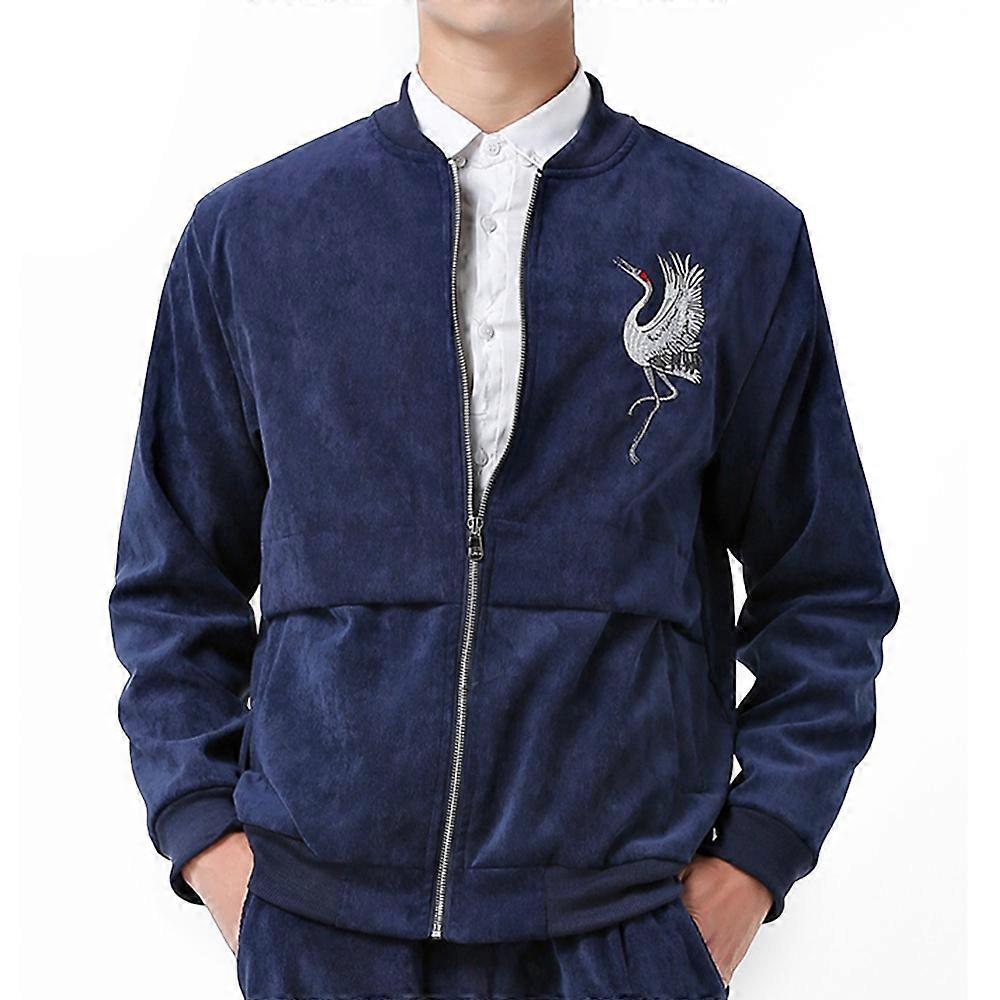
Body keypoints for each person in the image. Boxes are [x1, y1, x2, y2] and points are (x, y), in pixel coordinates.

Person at [109, 2, 898, 997]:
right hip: (325, 937)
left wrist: (757, 856)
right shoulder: (254, 232)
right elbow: (172, 580)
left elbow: (825, 591)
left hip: (615, 944)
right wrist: (206, 839)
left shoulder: (733, 235)